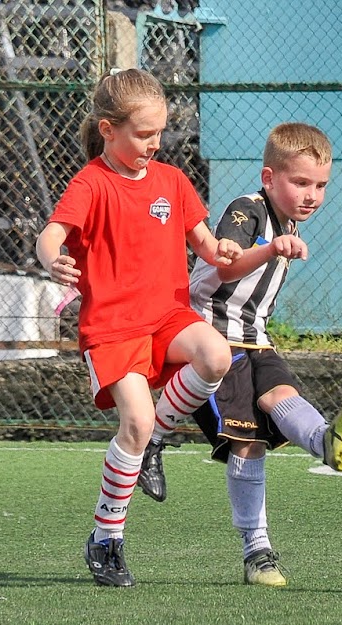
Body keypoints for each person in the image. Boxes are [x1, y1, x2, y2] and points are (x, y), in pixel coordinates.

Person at [36, 67, 244, 588]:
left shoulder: (172, 182)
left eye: (160, 133)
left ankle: (157, 438)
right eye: (144, 134)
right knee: (134, 423)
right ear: (108, 129)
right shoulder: (91, 182)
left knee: (215, 356)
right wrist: (52, 258)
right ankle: (107, 538)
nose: (155, 143)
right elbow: (51, 234)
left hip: (166, 316)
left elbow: (208, 249)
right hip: (111, 328)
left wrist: (228, 250)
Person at [181, 122, 342, 587]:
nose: (312, 195)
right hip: (213, 341)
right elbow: (228, 252)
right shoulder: (247, 210)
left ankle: (330, 444)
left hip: (256, 337)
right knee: (248, 442)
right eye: (301, 182)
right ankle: (257, 552)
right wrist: (265, 247)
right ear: (270, 177)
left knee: (282, 394)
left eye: (321, 185)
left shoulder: (288, 221)